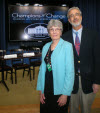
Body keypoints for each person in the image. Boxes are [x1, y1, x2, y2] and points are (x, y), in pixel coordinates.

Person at [62, 7, 100, 113]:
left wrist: (97, 81)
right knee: (72, 110)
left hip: (89, 81)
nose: (74, 17)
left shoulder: (93, 35)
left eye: (76, 14)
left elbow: (98, 59)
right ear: (69, 20)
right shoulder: (64, 37)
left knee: (86, 110)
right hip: (70, 82)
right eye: (71, 16)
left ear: (81, 17)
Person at [37, 19, 74, 113]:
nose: (54, 32)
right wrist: (41, 89)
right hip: (46, 87)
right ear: (49, 32)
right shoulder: (46, 46)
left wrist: (65, 94)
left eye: (57, 29)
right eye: (52, 29)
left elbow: (70, 72)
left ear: (61, 31)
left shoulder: (67, 46)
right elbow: (42, 69)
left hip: (60, 89)